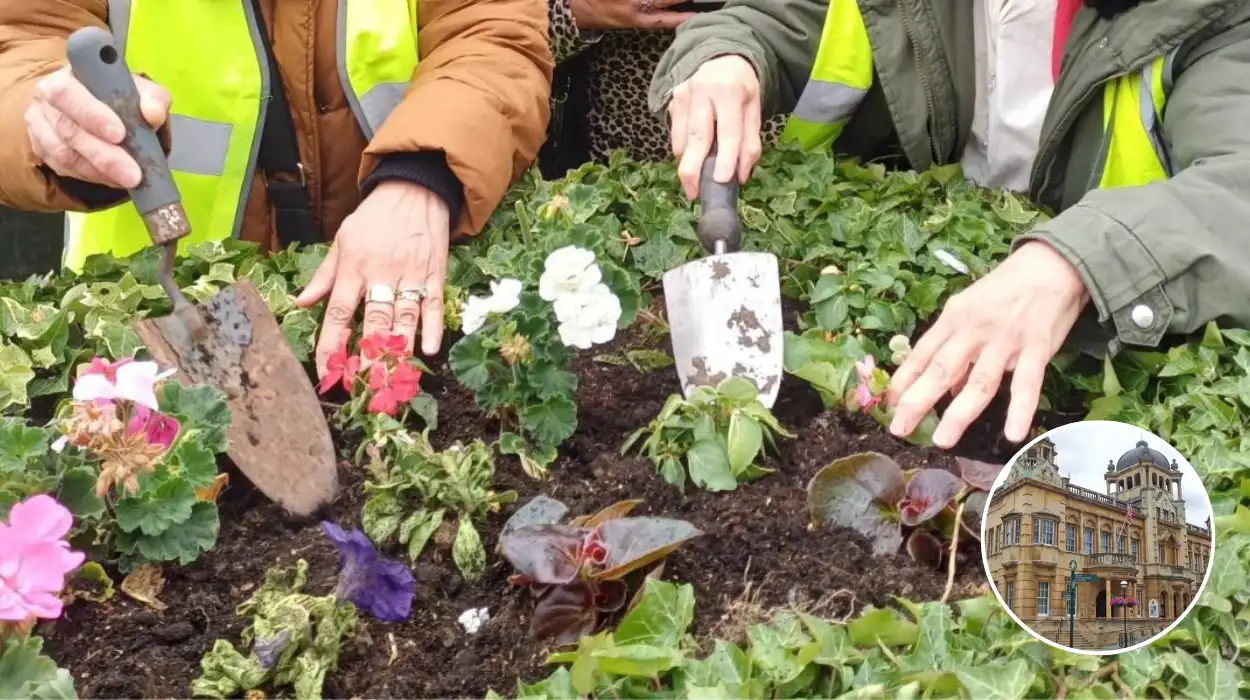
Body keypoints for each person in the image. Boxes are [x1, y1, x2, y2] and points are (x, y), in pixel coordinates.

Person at [651, 0, 1250, 450]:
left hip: (1114, 341)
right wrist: (726, 54)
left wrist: (1073, 261)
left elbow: (1237, 182)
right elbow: (774, 18)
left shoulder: (1210, 13)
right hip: (931, 265)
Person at [0, 0, 551, 380]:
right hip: (151, 321)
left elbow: (490, 32)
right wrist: (47, 119)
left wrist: (422, 173)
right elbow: (19, 45)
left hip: (402, 268)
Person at [541, 0, 787, 175]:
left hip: (780, 170)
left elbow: (813, 17)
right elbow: (507, 36)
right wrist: (573, 10)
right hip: (617, 175)